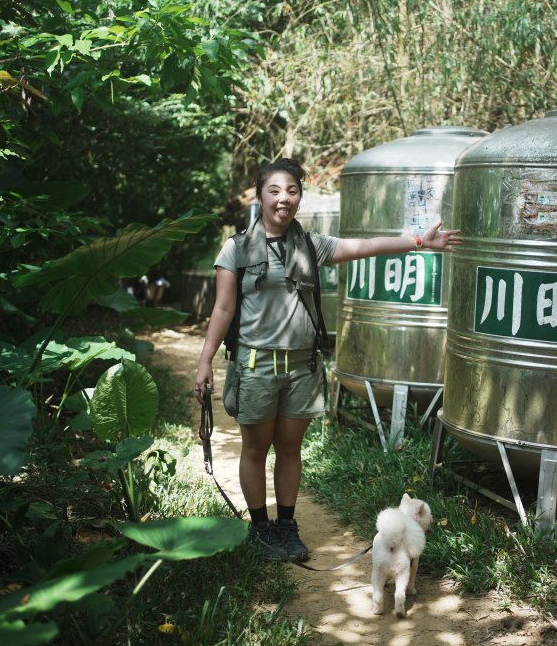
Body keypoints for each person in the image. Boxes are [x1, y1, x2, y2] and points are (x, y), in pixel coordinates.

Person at [193, 157, 460, 561]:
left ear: (300, 197)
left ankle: (286, 526)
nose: (284, 199)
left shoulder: (309, 245)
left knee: (289, 448)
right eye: (275, 191)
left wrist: (419, 241)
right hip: (255, 365)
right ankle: (260, 528)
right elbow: (224, 309)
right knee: (254, 449)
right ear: (260, 196)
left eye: (292, 190)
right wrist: (204, 361)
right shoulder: (236, 249)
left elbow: (363, 246)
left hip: (302, 367)